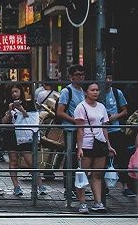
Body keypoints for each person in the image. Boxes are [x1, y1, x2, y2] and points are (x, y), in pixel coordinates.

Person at [74, 82, 116, 214]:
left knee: (97, 175)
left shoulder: (102, 107)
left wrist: (109, 145)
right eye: (92, 90)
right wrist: (79, 148)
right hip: (86, 144)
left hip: (100, 143)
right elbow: (80, 130)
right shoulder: (80, 107)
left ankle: (98, 202)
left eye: (97, 90)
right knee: (83, 174)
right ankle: (82, 203)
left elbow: (104, 128)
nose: (95, 92)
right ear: (86, 92)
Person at [2, 83, 47, 196]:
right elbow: (3, 121)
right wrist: (9, 111)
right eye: (12, 92)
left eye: (16, 91)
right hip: (11, 134)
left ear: (21, 92)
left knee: (30, 161)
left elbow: (32, 119)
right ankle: (16, 186)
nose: (14, 94)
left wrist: (22, 109)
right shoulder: (7, 104)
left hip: (24, 134)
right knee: (13, 160)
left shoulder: (29, 103)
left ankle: (39, 184)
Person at [100, 73, 136, 197]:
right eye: (106, 78)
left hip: (115, 130)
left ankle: (125, 185)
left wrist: (115, 117)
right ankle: (103, 187)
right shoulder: (95, 92)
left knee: (122, 158)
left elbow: (125, 110)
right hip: (100, 132)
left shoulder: (117, 92)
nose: (108, 80)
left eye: (110, 78)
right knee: (101, 159)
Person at [55, 65, 87, 197]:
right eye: (77, 74)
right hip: (70, 130)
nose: (80, 77)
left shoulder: (82, 91)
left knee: (78, 159)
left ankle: (76, 186)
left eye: (82, 74)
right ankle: (68, 188)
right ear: (71, 76)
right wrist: (74, 120)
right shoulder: (67, 91)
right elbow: (60, 112)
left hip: (80, 130)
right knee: (70, 159)